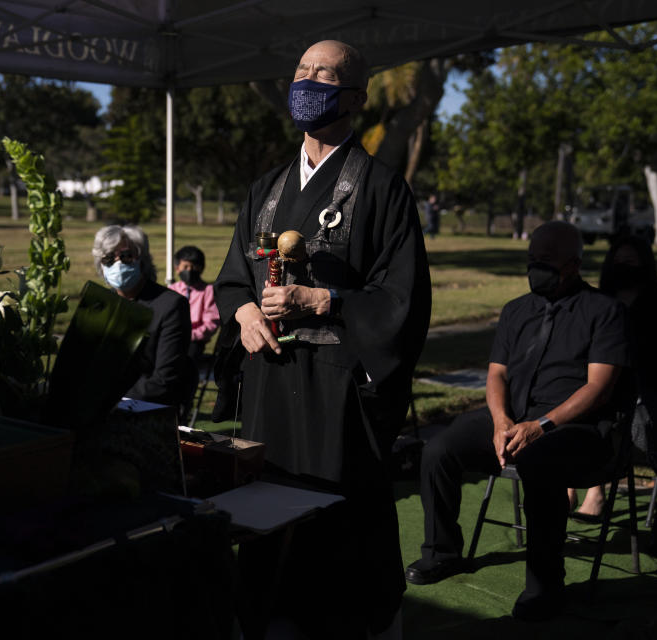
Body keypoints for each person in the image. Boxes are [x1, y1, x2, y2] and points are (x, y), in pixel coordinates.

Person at [214, 40, 431, 638]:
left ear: (355, 97)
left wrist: (323, 299)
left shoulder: (382, 189)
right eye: (302, 72)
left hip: (336, 392)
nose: (308, 82)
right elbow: (232, 280)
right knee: (265, 515)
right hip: (268, 383)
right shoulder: (267, 188)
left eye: (325, 74)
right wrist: (243, 317)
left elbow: (404, 302)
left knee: (334, 521)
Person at [404, 221, 629, 621]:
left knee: (540, 461)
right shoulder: (516, 310)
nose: (535, 268)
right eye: (531, 260)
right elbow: (496, 374)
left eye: (545, 261)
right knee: (439, 450)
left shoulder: (604, 311)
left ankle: (545, 586)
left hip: (575, 429)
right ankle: (442, 553)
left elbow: (599, 388)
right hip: (513, 419)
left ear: (573, 264)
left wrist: (541, 425)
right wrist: (500, 421)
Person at [568, 234, 657, 520]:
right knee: (573, 403)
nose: (623, 266)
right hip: (597, 386)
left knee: (602, 414)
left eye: (630, 261)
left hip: (641, 392)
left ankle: (595, 493)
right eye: (618, 261)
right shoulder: (597, 302)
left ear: (644, 264)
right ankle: (568, 487)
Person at [92, 225, 195, 410]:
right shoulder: (100, 304)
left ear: (142, 259)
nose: (118, 264)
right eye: (108, 258)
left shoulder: (170, 305)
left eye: (126, 256)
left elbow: (164, 380)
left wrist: (109, 399)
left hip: (146, 410)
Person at [168, 245, 220, 360]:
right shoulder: (172, 290)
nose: (189, 270)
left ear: (201, 268)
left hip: (195, 341)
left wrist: (191, 335)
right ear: (177, 269)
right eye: (185, 266)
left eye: (193, 266)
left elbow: (211, 323)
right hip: (172, 337)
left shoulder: (208, 291)